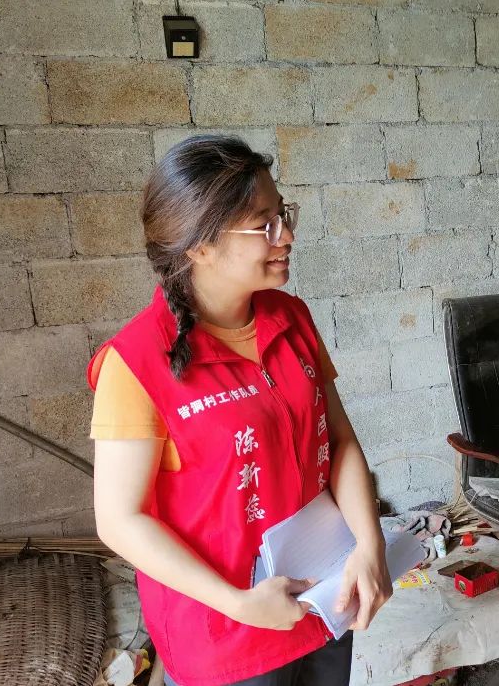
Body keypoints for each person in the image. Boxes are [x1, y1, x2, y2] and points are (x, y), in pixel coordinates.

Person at [88, 136, 391, 686]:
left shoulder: (291, 318)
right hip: (224, 633)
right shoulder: (134, 363)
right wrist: (237, 602)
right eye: (264, 225)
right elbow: (119, 520)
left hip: (322, 597)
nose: (287, 237)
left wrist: (369, 547)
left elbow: (339, 440)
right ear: (199, 246)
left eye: (283, 216)